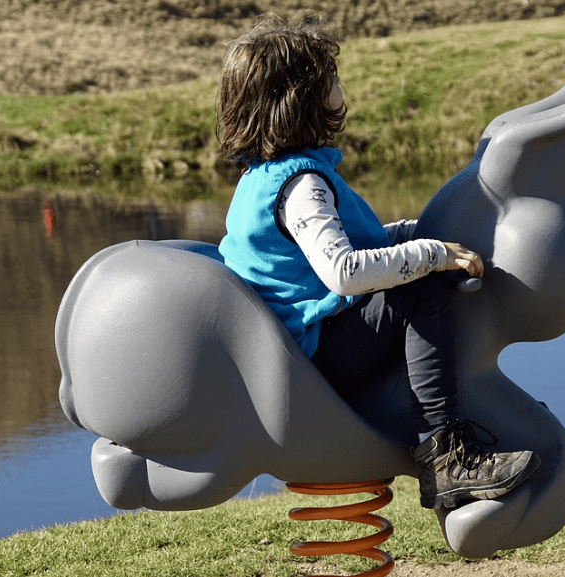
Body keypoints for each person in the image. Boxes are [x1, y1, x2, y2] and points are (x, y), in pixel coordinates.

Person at [216, 13, 538, 509]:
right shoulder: (301, 185)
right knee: (424, 287)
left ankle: (475, 413)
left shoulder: (261, 177)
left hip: (298, 350)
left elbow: (333, 248)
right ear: (300, 98)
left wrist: (412, 235)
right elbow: (344, 273)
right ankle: (446, 459)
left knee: (422, 270)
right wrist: (431, 255)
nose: (339, 87)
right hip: (316, 358)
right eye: (330, 79)